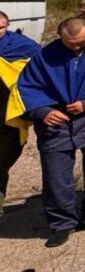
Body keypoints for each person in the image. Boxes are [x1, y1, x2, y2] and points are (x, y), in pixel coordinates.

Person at [18, 18, 85, 247]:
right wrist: (42, 111)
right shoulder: (44, 55)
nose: (76, 47)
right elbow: (26, 87)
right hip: (56, 122)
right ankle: (62, 223)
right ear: (59, 36)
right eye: (70, 44)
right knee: (56, 175)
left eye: (81, 43)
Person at [0, 11, 41, 219]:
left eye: (1, 27)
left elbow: (39, 67)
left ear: (7, 26)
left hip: (6, 114)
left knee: (1, 161)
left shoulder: (21, 45)